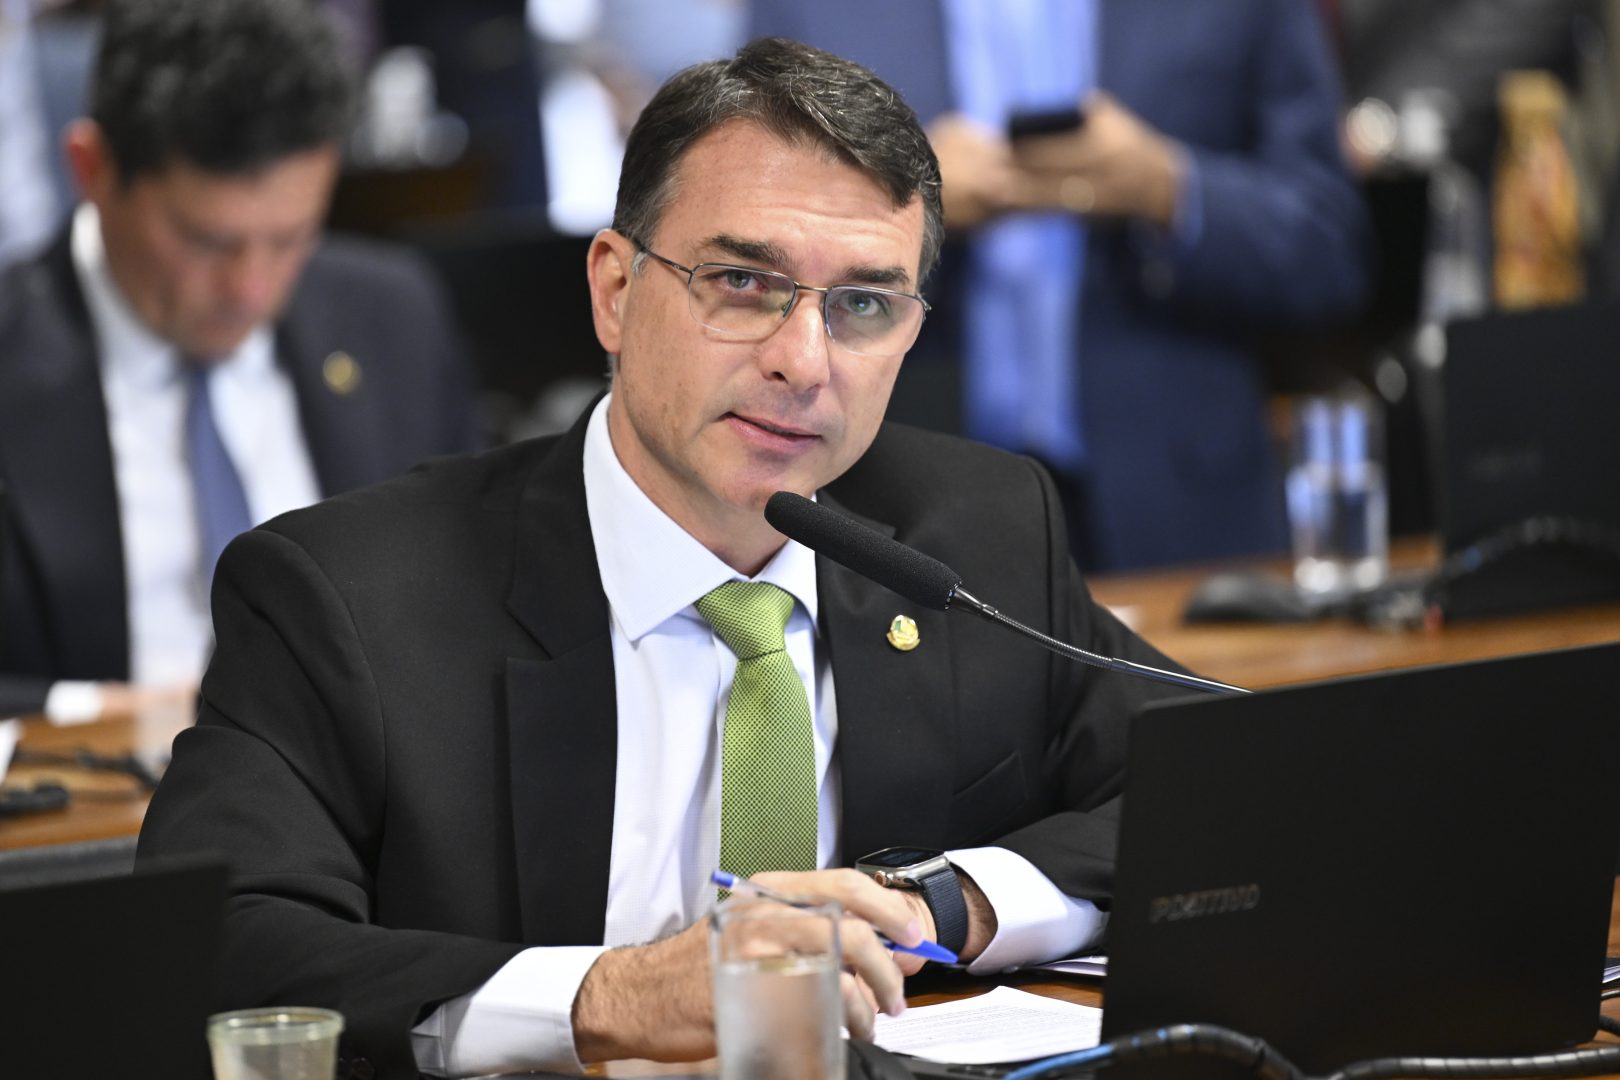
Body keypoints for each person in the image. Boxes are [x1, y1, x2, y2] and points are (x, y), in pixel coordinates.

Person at [138, 37, 1193, 1079]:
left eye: (864, 304)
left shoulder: (974, 531)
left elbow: (1215, 790)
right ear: (614, 288)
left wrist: (944, 904)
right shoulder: (346, 595)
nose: (803, 361)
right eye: (743, 281)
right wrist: (620, 997)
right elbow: (220, 944)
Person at [749, 0, 1371, 570]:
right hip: (892, 499)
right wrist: (896, 201)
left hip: (1178, 506)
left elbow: (1332, 247)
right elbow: (751, 238)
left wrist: (1166, 188)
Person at [0, 0, 481, 723]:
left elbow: (478, 600)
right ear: (91, 169)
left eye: (290, 238)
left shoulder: (393, 319)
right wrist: (104, 715)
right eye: (207, 242)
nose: (251, 290)